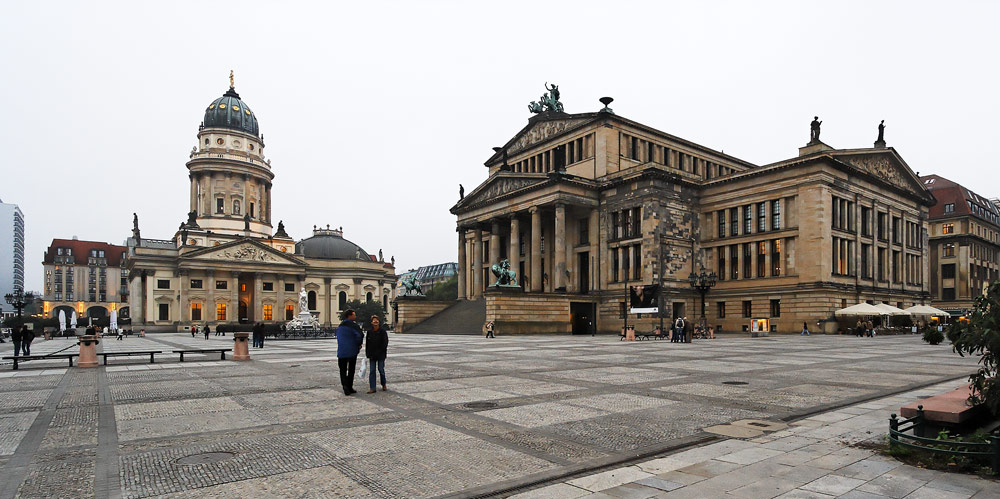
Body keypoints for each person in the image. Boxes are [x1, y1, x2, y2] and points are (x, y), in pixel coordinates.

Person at [336, 309, 364, 396]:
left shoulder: (340, 326)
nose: (355, 316)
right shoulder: (353, 325)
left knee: (342, 370)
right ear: (350, 316)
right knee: (351, 369)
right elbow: (360, 335)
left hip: (341, 351)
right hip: (352, 350)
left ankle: (344, 385)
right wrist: (358, 344)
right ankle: (349, 386)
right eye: (354, 315)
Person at [365, 316, 388, 393]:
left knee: (381, 370)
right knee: (372, 371)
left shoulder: (383, 331)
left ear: (379, 322)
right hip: (372, 355)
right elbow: (367, 344)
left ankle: (383, 384)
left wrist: (381, 351)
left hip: (380, 354)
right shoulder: (369, 332)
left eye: (376, 320)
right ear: (371, 322)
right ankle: (372, 387)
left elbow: (385, 343)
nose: (375, 322)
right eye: (374, 321)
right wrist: (367, 353)